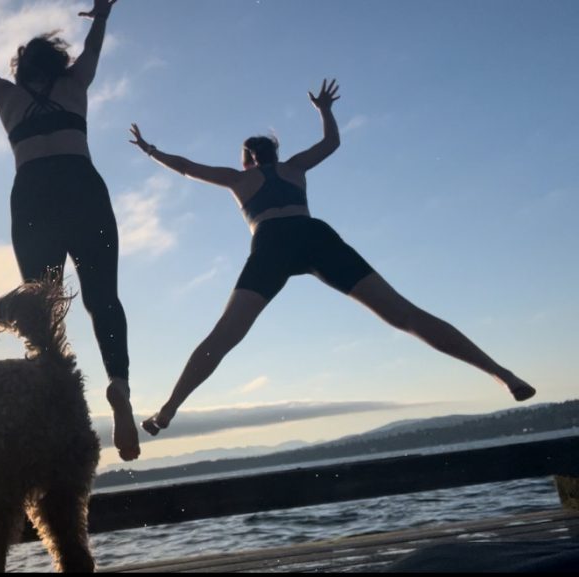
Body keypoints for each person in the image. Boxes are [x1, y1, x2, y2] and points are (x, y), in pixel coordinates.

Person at [129, 79, 537, 436]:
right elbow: (332, 143)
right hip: (314, 236)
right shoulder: (294, 167)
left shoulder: (239, 178)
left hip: (272, 243)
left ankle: (167, 411)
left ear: (247, 158)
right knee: (405, 315)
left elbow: (185, 168)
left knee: (225, 335)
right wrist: (324, 111)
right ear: (272, 152)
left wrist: (151, 151)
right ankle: (503, 374)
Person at [0, 0, 140, 461]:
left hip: (32, 195)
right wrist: (103, 14)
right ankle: (119, 385)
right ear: (58, 63)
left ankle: (53, 409)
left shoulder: (8, 98)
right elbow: (94, 48)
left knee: (41, 311)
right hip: (83, 187)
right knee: (103, 297)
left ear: (22, 70)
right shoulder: (74, 85)